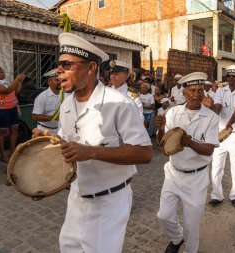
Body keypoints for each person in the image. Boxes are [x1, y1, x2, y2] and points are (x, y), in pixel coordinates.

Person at [32, 33, 152, 253]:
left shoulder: (118, 104)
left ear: (90, 68)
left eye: (66, 65)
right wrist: (49, 141)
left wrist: (92, 152)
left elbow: (144, 153)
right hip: (77, 196)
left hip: (109, 200)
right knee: (69, 248)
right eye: (59, 65)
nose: (59, 71)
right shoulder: (67, 105)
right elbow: (68, 144)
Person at [155, 72, 219, 253]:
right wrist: (160, 129)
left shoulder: (211, 117)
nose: (196, 94)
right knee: (164, 215)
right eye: (191, 90)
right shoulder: (173, 112)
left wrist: (190, 143)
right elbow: (163, 144)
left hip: (196, 178)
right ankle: (176, 237)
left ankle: (190, 250)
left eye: (200, 90)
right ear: (183, 93)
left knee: (191, 225)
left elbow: (209, 149)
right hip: (173, 173)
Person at [203, 65, 235, 208]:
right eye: (228, 75)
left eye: (234, 76)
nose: (231, 78)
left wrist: (229, 124)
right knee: (216, 166)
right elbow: (217, 108)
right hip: (220, 134)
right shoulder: (220, 91)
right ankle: (216, 195)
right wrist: (211, 107)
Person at [0, 65, 25, 163]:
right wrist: (16, 79)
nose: (4, 74)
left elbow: (15, 92)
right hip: (2, 110)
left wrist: (19, 82)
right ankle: (2, 155)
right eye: (1, 72)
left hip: (13, 108)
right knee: (3, 133)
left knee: (15, 129)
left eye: (3, 72)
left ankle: (12, 152)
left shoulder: (6, 82)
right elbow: (6, 91)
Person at [31, 69, 64, 135]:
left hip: (61, 130)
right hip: (44, 131)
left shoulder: (66, 94)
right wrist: (53, 117)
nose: (60, 82)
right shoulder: (42, 97)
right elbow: (34, 117)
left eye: (60, 79)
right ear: (49, 82)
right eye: (57, 80)